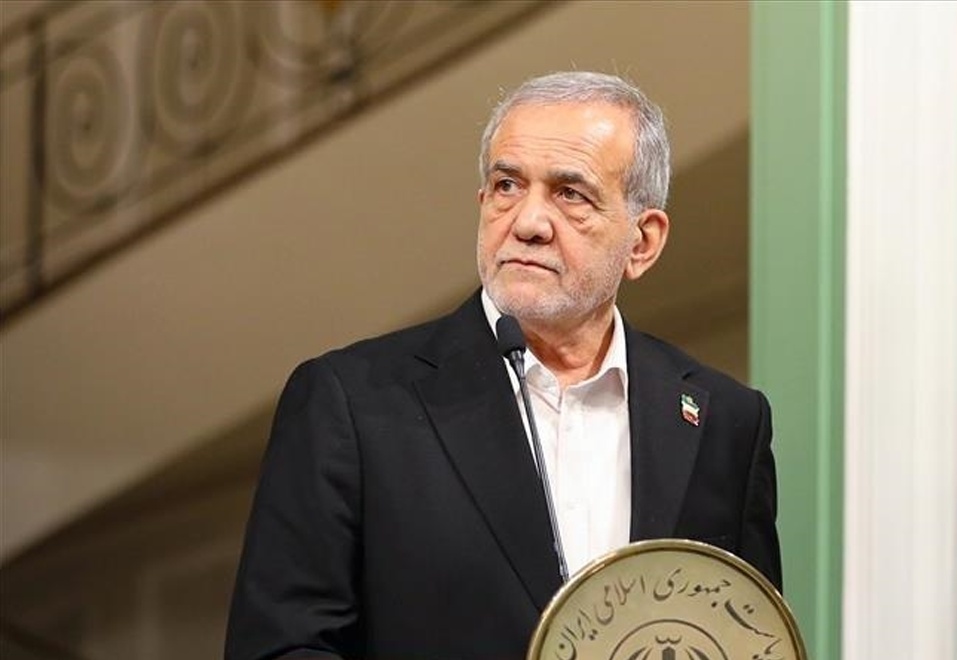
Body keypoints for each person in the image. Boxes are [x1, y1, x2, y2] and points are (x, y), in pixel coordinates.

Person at [225, 71, 781, 660]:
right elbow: (281, 649)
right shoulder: (352, 403)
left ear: (642, 242)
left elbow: (752, 640)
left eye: (571, 194)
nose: (528, 223)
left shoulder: (725, 422)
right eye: (507, 185)